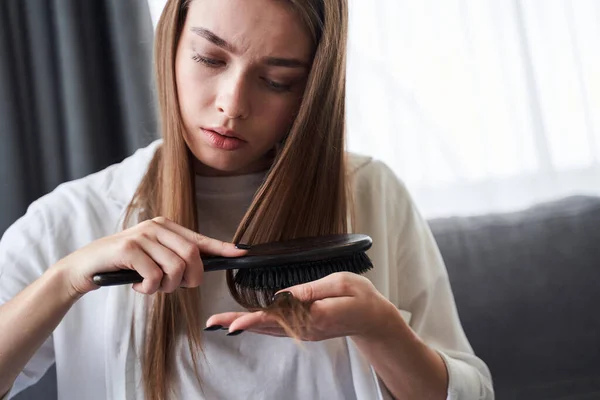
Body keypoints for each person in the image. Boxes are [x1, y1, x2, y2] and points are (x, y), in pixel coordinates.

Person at [0, 0, 494, 399]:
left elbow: (471, 394)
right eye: (209, 58)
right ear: (171, 42)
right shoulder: (67, 220)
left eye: (277, 80)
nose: (232, 105)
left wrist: (382, 331)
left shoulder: (370, 190)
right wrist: (64, 280)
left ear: (313, 89)